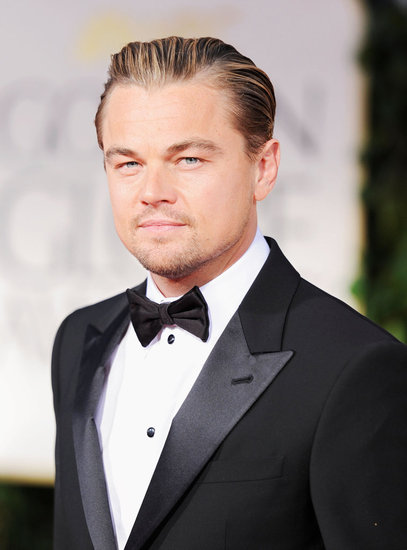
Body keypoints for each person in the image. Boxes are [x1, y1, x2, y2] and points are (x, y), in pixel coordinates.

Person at [52, 36, 407, 550]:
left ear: (263, 168)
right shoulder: (78, 339)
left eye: (189, 159)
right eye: (128, 163)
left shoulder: (354, 369)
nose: (152, 192)